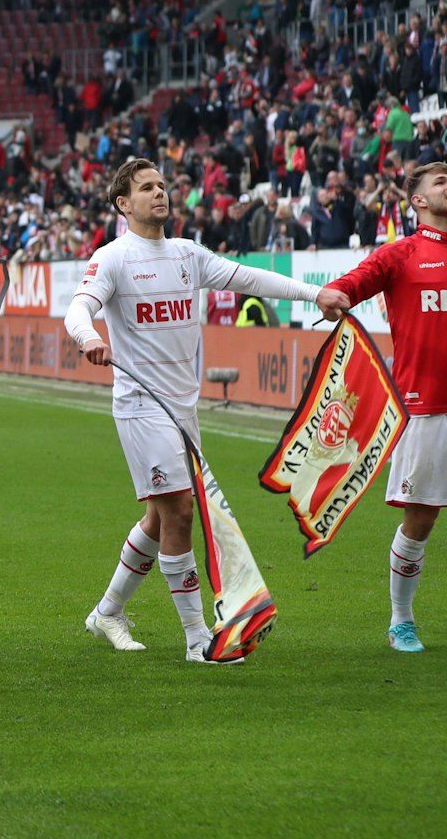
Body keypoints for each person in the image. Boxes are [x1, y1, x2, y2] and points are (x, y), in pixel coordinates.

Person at [71, 158, 348, 664]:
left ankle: (107, 612)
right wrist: (89, 336)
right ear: (122, 204)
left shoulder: (186, 254)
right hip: (140, 405)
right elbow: (78, 307)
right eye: (147, 188)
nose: (160, 193)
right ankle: (199, 637)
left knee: (158, 516)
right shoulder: (113, 257)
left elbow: (250, 279)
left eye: (162, 185)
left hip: (182, 408)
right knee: (180, 510)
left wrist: (316, 294)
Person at [325, 162, 447, 652]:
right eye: (440, 181)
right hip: (426, 408)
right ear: (417, 200)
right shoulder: (402, 254)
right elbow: (352, 282)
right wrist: (335, 294)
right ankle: (401, 619)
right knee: (421, 520)